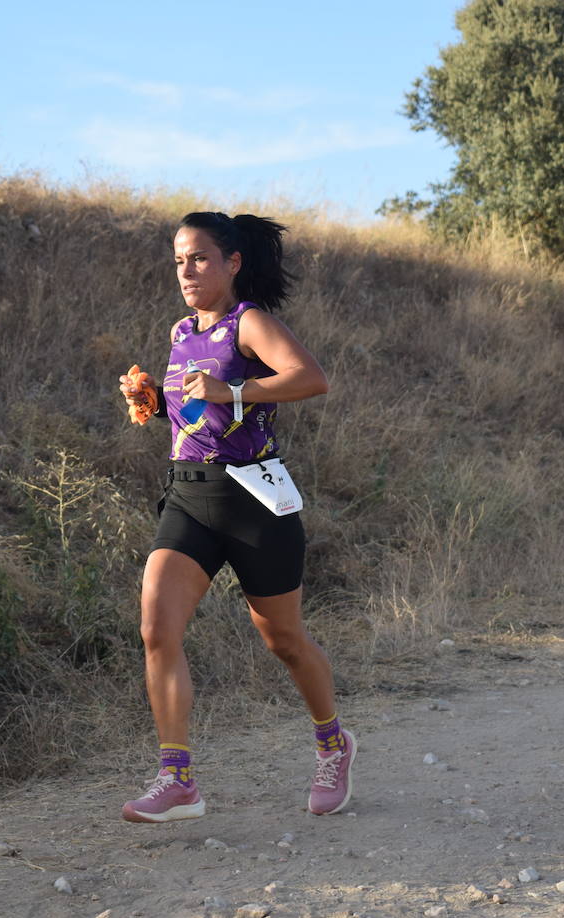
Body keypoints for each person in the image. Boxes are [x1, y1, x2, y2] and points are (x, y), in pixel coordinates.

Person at [116, 211, 355, 823]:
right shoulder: (179, 333)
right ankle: (178, 780)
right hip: (190, 499)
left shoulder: (249, 323)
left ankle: (333, 745)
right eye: (178, 260)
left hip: (253, 502)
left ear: (232, 263)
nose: (186, 271)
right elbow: (200, 414)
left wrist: (235, 392)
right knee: (156, 628)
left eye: (198, 258)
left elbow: (312, 378)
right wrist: (153, 404)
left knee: (284, 640)